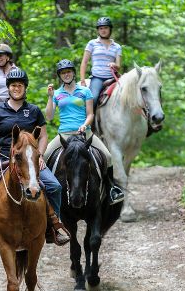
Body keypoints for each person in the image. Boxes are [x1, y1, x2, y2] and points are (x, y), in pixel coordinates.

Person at [0, 68, 70, 248]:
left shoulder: (34, 110)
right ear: (8, 88)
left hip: (29, 159)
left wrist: (40, 155)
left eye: (20, 85)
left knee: (54, 186)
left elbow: (43, 136)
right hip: (1, 155)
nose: (16, 88)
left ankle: (54, 226)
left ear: (25, 88)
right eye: (13, 85)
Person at [45, 59, 125, 205]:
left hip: (84, 133)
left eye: (68, 71)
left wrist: (84, 125)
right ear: (60, 76)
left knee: (107, 156)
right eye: (63, 73)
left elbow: (90, 115)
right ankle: (43, 192)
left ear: (73, 73)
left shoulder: (85, 91)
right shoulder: (57, 93)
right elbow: (49, 117)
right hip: (64, 135)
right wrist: (50, 97)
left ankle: (111, 189)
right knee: (44, 156)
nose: (66, 74)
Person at [80, 17, 122, 109]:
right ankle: (88, 122)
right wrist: (82, 80)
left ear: (110, 29)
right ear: (98, 30)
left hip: (112, 78)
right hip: (98, 77)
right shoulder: (92, 43)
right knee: (93, 97)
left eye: (105, 28)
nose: (103, 30)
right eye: (101, 28)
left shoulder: (117, 46)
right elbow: (84, 62)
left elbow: (118, 66)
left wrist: (114, 65)